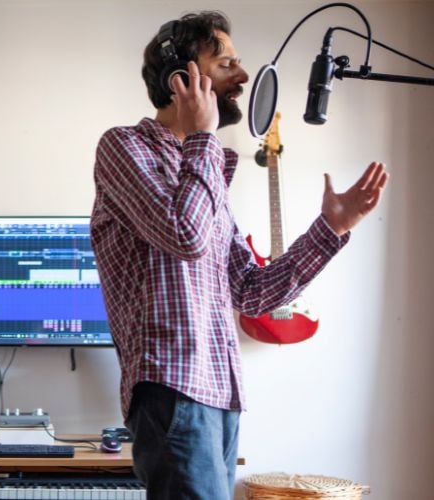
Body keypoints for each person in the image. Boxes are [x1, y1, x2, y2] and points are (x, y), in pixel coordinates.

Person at [90, 11, 388, 500]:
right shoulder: (124, 147)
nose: (244, 77)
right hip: (172, 386)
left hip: (220, 393)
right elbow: (183, 234)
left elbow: (252, 292)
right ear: (180, 77)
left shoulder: (207, 175)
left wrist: (332, 228)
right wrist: (204, 137)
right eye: (226, 62)